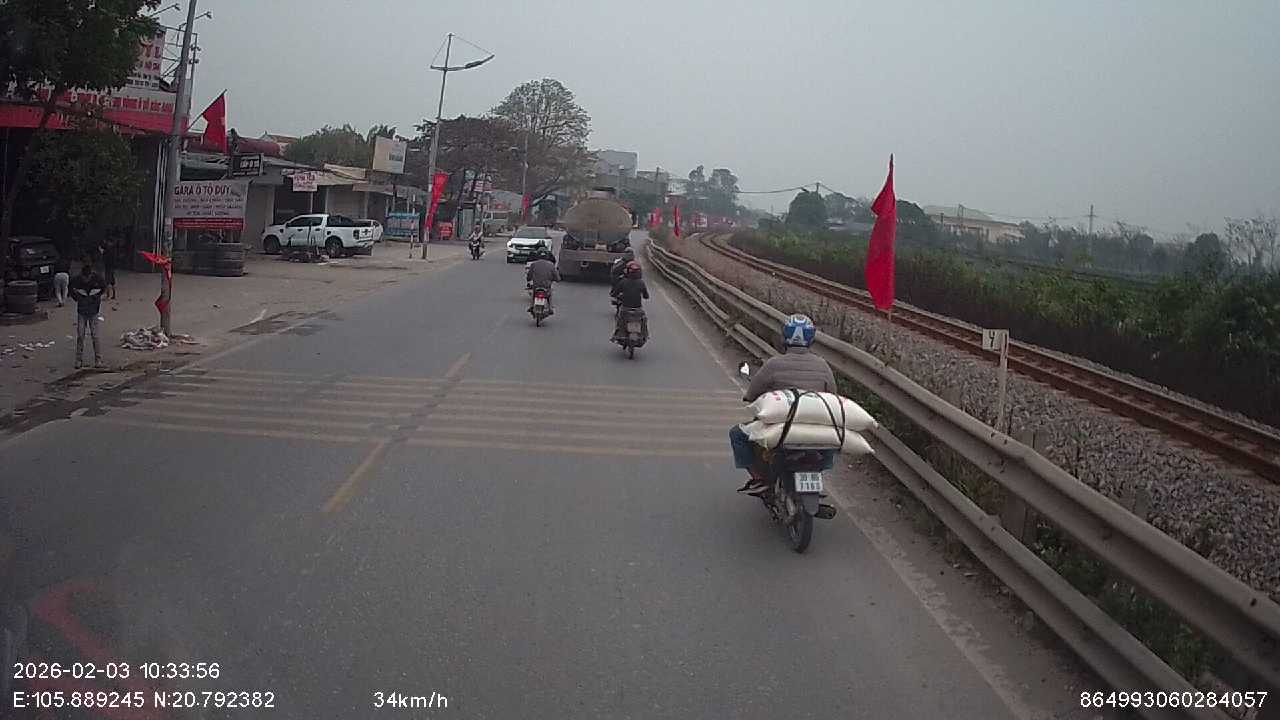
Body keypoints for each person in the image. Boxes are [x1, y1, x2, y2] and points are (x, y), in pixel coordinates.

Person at [729, 314, 838, 495]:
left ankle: (759, 478)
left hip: (781, 428)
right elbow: (832, 397)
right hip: (814, 427)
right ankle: (816, 473)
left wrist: (750, 397)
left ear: (784, 337)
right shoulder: (823, 365)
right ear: (811, 339)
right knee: (831, 438)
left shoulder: (773, 364)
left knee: (737, 435)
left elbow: (752, 393)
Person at [68, 258, 108, 369]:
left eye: (87, 278)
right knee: (80, 336)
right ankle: (79, 360)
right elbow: (70, 289)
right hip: (82, 311)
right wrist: (77, 298)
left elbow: (103, 288)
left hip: (93, 311)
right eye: (84, 278)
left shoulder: (97, 279)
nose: (86, 280)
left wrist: (96, 297)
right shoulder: (77, 280)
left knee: (95, 336)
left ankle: (98, 359)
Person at [610, 260, 649, 339]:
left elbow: (614, 293)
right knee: (643, 319)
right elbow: (646, 296)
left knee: (619, 319)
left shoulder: (623, 282)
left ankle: (617, 334)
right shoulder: (641, 283)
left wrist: (614, 295)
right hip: (638, 309)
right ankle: (645, 335)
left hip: (625, 308)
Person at [526, 248, 560, 312]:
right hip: (546, 287)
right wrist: (555, 279)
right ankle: (550, 308)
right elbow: (557, 278)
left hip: (536, 286)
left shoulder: (533, 264)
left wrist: (528, 280)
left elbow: (529, 275)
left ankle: (531, 306)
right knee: (550, 294)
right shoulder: (551, 265)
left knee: (533, 293)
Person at [99, 236, 117, 301]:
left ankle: (108, 295)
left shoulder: (108, 249)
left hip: (108, 266)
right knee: (112, 281)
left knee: (107, 281)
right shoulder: (113, 249)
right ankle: (114, 295)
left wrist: (101, 251)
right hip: (112, 266)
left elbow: (103, 254)